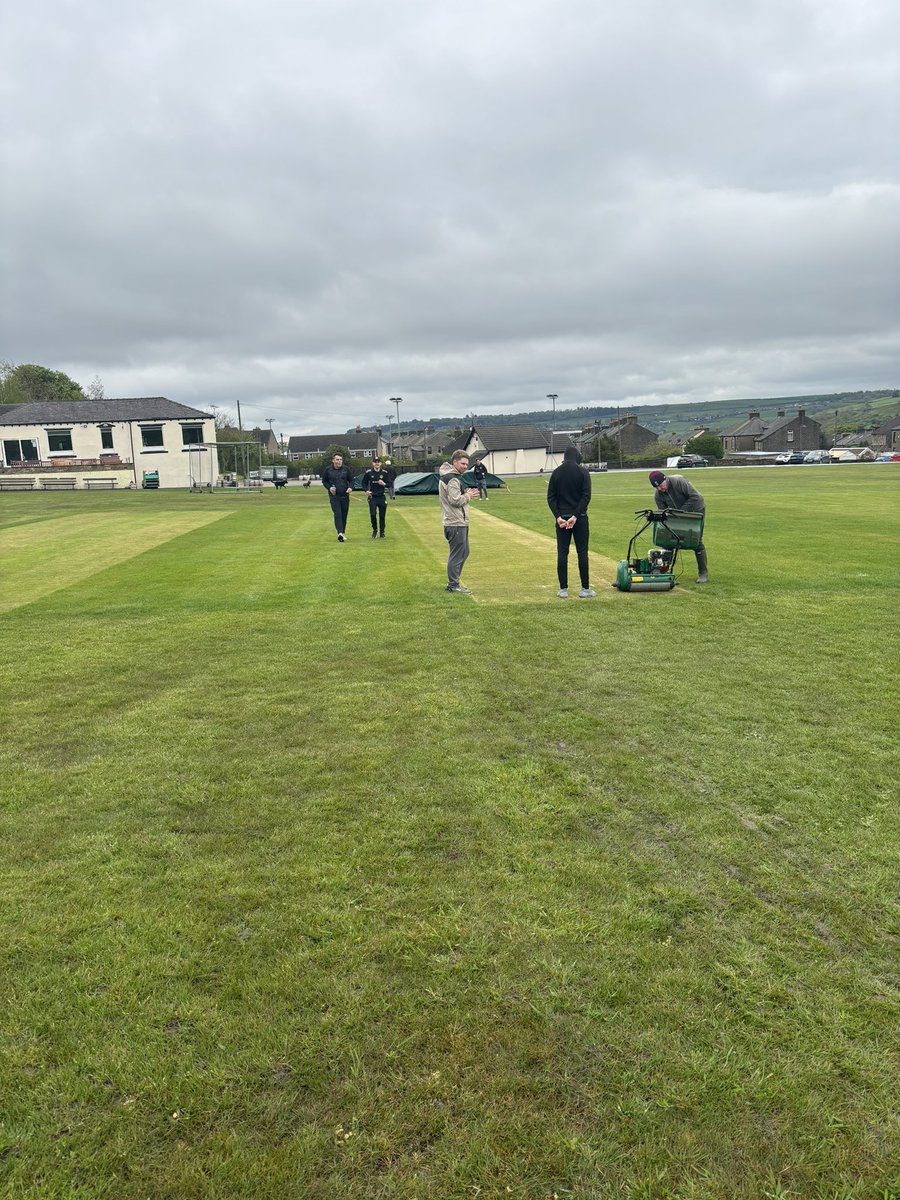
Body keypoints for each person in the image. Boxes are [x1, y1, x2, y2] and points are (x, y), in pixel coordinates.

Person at [547, 446, 595, 598]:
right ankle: (585, 589)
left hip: (562, 517)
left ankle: (563, 589)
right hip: (579, 518)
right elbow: (586, 496)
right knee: (582, 552)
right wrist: (576, 515)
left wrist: (558, 516)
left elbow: (551, 497)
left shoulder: (556, 472)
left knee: (562, 552)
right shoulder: (583, 472)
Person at [648, 470, 708, 582]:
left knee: (696, 541)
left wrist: (680, 511)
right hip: (675, 515)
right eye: (657, 488)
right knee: (668, 541)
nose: (660, 489)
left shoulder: (679, 482)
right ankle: (664, 572)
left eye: (661, 486)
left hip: (696, 511)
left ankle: (703, 573)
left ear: (665, 479)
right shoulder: (658, 495)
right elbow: (663, 512)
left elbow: (696, 497)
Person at [439, 450, 479, 594]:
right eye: (462, 463)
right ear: (454, 462)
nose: (465, 467)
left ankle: (454, 582)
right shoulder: (452, 479)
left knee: (464, 552)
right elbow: (455, 500)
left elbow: (455, 497)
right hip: (455, 522)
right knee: (458, 554)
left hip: (457, 522)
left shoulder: (450, 477)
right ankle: (453, 584)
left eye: (467, 464)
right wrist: (468, 495)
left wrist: (465, 494)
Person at [321, 453, 355, 541]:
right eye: (337, 459)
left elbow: (351, 480)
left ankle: (343, 532)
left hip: (345, 495)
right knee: (338, 514)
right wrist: (329, 487)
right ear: (333, 460)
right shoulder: (328, 470)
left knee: (344, 514)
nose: (339, 461)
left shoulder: (346, 469)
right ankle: (339, 532)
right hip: (334, 496)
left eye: (340, 459)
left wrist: (350, 488)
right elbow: (324, 481)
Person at [361, 455, 389, 538]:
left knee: (382, 515)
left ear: (380, 463)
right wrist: (366, 491)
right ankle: (375, 530)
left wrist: (384, 484)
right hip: (372, 497)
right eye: (375, 462)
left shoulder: (384, 473)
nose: (377, 464)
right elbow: (363, 483)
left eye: (378, 462)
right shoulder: (369, 472)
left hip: (381, 496)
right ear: (373, 463)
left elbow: (390, 484)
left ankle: (382, 532)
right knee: (373, 514)